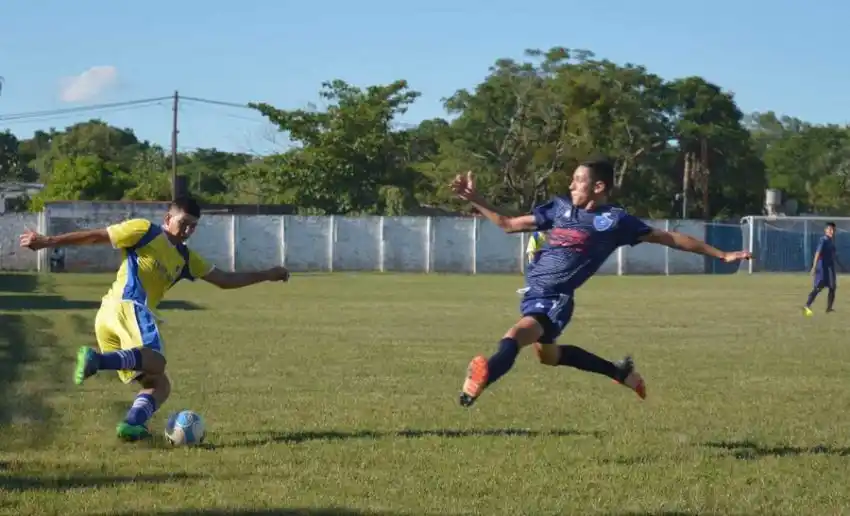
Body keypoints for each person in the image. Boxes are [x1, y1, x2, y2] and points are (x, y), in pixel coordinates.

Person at [450, 158, 752, 408]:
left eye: (577, 180)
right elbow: (508, 224)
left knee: (514, 336)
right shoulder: (558, 209)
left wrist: (721, 254)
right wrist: (474, 198)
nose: (570, 185)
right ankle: (619, 372)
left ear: (598, 187)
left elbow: (669, 237)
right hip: (533, 293)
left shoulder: (614, 221)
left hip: (556, 298)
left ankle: (480, 380)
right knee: (549, 357)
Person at [19, 196, 290, 441]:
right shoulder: (144, 231)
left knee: (159, 384)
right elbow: (95, 237)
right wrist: (48, 241)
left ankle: (131, 424)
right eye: (184, 223)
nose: (187, 230)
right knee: (156, 360)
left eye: (193, 226)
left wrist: (267, 274)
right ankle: (97, 360)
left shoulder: (185, 258)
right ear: (168, 219)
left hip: (112, 316)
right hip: (128, 306)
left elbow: (225, 280)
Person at [804, 222, 843, 315]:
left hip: (830, 268)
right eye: (829, 229)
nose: (832, 231)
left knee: (833, 287)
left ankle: (829, 308)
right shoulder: (824, 240)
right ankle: (807, 305)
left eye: (833, 230)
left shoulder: (831, 241)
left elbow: (833, 255)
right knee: (818, 287)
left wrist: (840, 265)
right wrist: (814, 267)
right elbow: (818, 253)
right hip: (822, 268)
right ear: (825, 231)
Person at [517, 231, 547, 295]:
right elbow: (531, 250)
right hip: (541, 256)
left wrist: (532, 262)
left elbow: (531, 250)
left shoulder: (536, 235)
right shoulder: (539, 235)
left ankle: (530, 287)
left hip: (540, 256)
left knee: (531, 270)